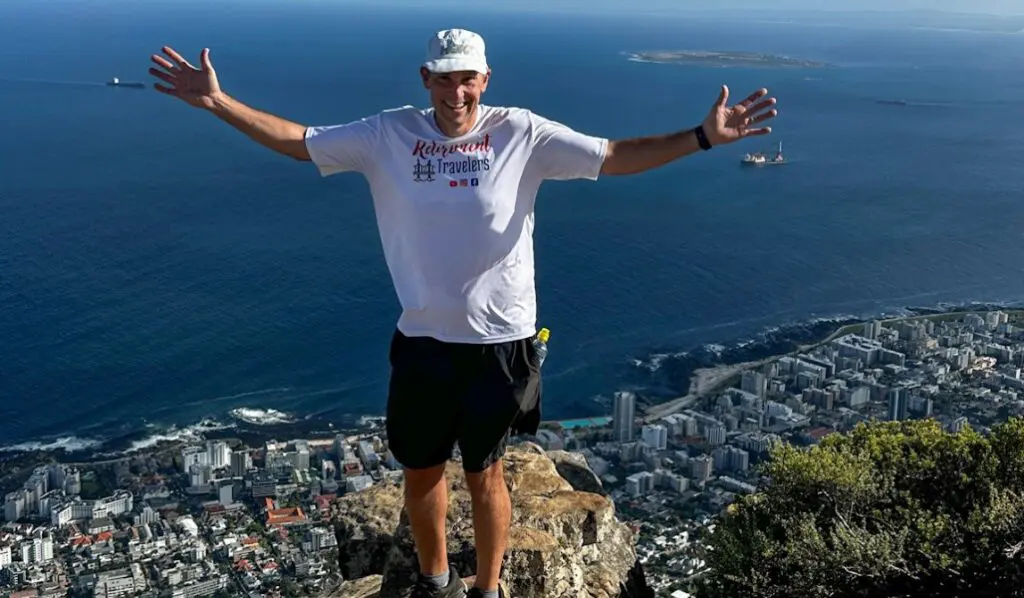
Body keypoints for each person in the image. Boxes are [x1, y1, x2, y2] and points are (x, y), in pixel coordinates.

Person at [148, 28, 778, 598]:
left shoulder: (520, 132)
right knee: (420, 471)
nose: (456, 91)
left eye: (467, 77)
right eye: (444, 77)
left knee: (485, 471)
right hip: (423, 337)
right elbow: (298, 143)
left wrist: (701, 137)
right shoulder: (387, 133)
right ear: (426, 80)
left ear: (486, 78)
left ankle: (487, 587)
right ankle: (434, 579)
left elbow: (613, 156)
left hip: (502, 340)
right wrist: (217, 103)